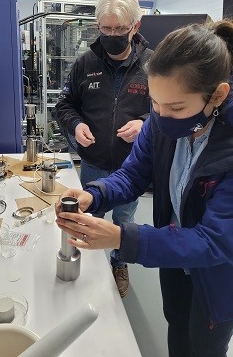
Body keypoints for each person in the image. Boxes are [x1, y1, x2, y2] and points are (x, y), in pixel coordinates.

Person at [56, 19, 233, 357]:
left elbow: (214, 241)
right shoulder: (161, 122)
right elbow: (134, 174)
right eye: (155, 104)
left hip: (217, 274)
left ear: (218, 95)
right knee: (177, 331)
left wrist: (122, 238)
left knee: (205, 346)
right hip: (174, 262)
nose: (162, 117)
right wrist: (94, 194)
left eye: (176, 107)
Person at [55, 0, 152, 297]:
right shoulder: (85, 63)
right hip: (94, 163)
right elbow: (64, 105)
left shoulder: (153, 66)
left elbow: (168, 111)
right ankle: (93, 266)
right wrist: (77, 124)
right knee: (91, 215)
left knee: (124, 219)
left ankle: (119, 263)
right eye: (105, 29)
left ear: (134, 27)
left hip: (131, 166)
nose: (111, 36)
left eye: (119, 30)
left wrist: (145, 123)